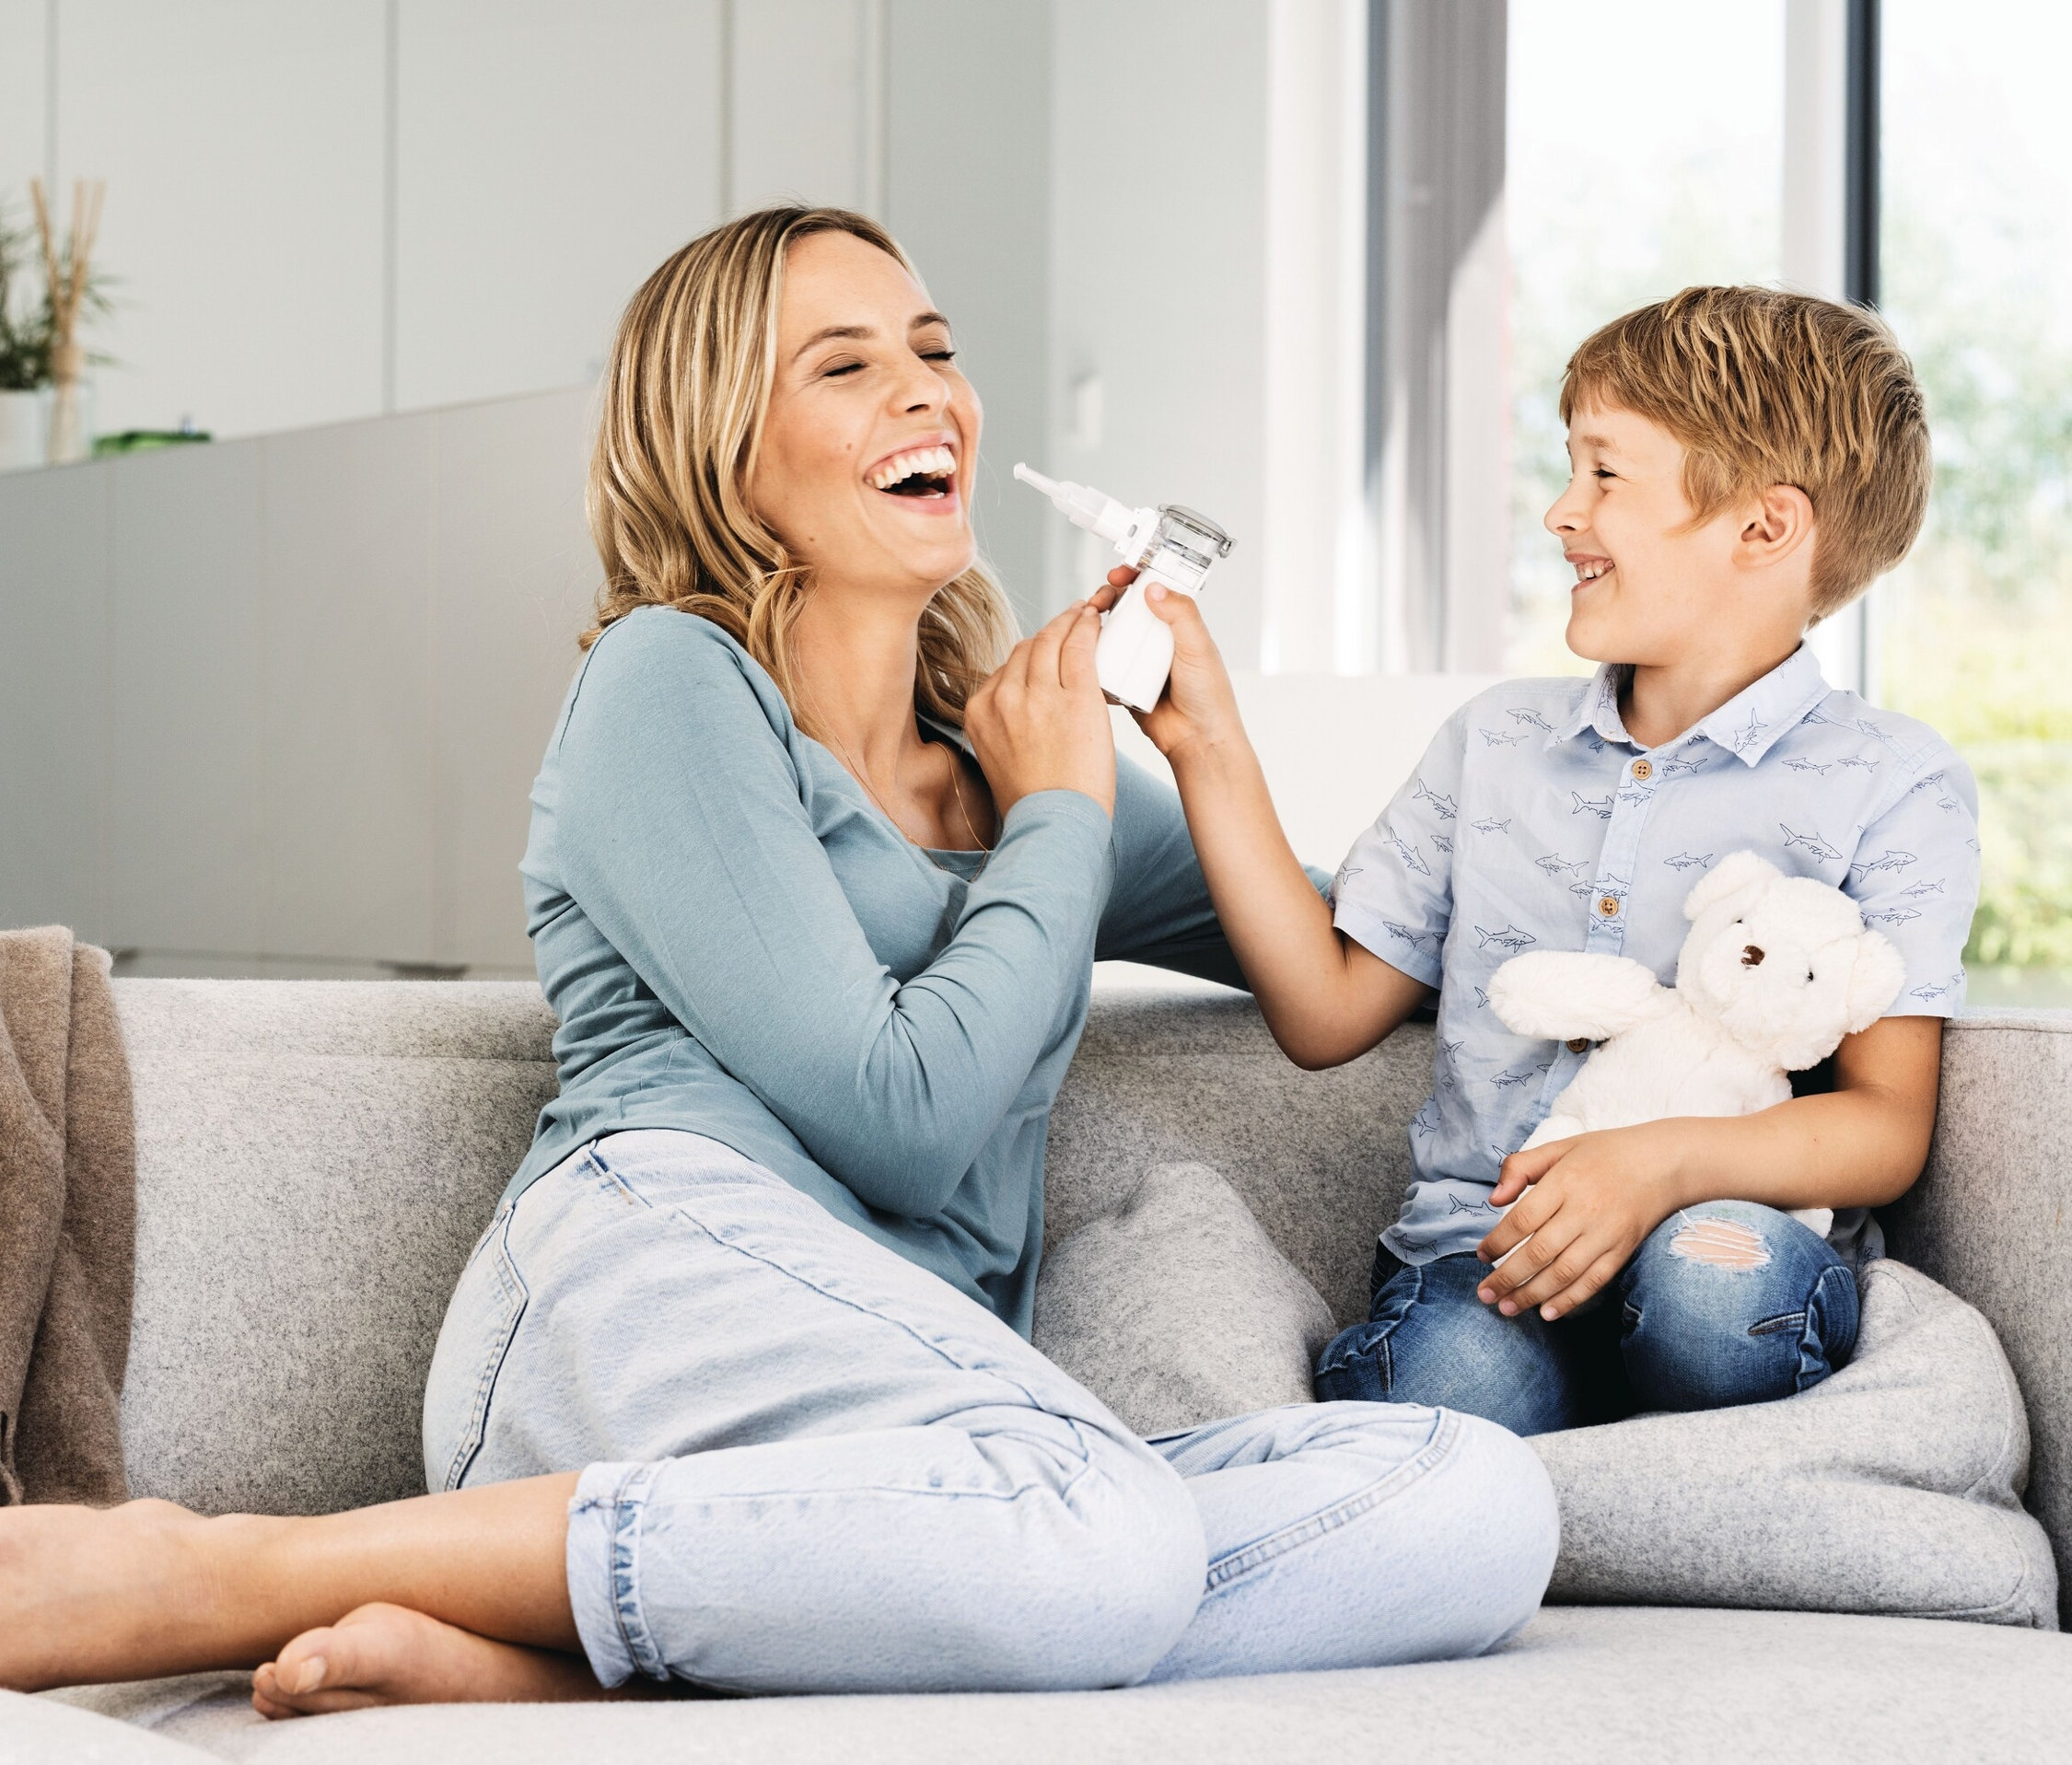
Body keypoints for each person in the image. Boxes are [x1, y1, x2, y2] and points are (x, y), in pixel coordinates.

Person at [0, 207, 1556, 1713]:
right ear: (720, 454)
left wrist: (1205, 755)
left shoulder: (1007, 769)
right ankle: (233, 1568)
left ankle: (572, 1649)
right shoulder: (669, 684)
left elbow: (1378, 947)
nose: (925, 387)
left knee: (1469, 1502)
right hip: (648, 1291)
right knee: (1100, 1530)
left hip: (877, 1440)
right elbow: (901, 1112)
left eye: (932, 348)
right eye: (843, 363)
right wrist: (1067, 806)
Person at [1117, 285, 1978, 1439]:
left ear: (1764, 528)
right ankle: (1599, 1466)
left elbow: (1885, 1127)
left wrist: (1657, 1167)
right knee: (1430, 1396)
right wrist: (1205, 744)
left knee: (1710, 1295)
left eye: (1605, 475)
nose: (1562, 513)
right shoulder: (1497, 744)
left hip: (1726, 1250)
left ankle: (1622, 1458)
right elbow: (1324, 1012)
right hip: (1490, 1259)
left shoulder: (1895, 781)